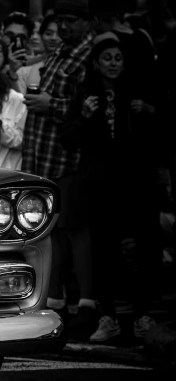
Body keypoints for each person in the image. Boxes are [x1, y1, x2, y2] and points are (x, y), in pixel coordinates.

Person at [61, 33, 160, 341]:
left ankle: (143, 315)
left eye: (118, 58)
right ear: (96, 63)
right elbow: (69, 140)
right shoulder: (85, 94)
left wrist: (149, 113)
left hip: (135, 183)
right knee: (104, 250)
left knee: (141, 247)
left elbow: (158, 135)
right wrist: (85, 116)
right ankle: (108, 318)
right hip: (99, 185)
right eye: (107, 58)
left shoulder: (138, 93)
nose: (113, 64)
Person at [23, 0, 96, 330]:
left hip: (70, 157)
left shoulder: (89, 56)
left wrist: (49, 104)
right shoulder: (60, 53)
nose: (64, 27)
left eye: (71, 21)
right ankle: (55, 300)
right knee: (50, 228)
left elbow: (89, 111)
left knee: (75, 230)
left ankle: (87, 303)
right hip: (43, 153)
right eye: (61, 20)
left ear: (87, 23)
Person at [17, 14, 62, 93]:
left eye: (59, 34)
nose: (53, 38)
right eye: (48, 33)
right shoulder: (25, 70)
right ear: (42, 35)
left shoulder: (71, 65)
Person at [0, 12, 35, 89]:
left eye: (20, 37)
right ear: (1, 35)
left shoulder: (33, 67)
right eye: (10, 35)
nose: (15, 40)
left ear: (28, 41)